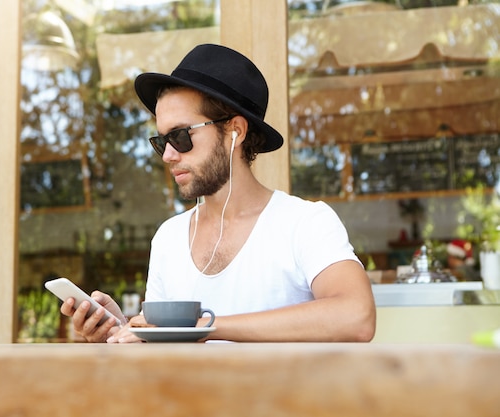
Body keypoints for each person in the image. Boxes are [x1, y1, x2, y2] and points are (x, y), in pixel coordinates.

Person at [61, 44, 376, 343]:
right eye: (161, 141)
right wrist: (120, 331)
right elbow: (162, 357)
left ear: (235, 131)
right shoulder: (169, 238)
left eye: (181, 136)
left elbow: (356, 316)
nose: (168, 155)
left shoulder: (303, 222)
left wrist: (207, 328)